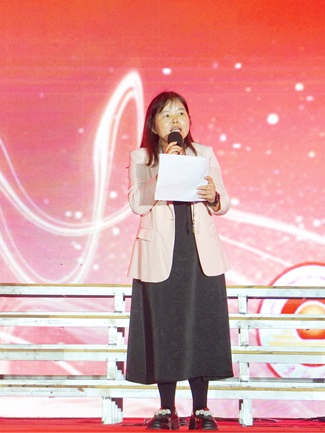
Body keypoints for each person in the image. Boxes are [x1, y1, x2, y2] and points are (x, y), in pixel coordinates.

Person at [126, 91, 233, 430]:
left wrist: (214, 196)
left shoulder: (204, 153)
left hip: (199, 252)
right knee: (165, 328)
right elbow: (138, 202)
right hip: (160, 253)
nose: (176, 120)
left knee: (201, 327)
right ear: (153, 125)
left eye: (181, 114)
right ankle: (166, 409)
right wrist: (164, 170)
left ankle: (201, 410)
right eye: (167, 115)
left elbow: (224, 202)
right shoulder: (142, 158)